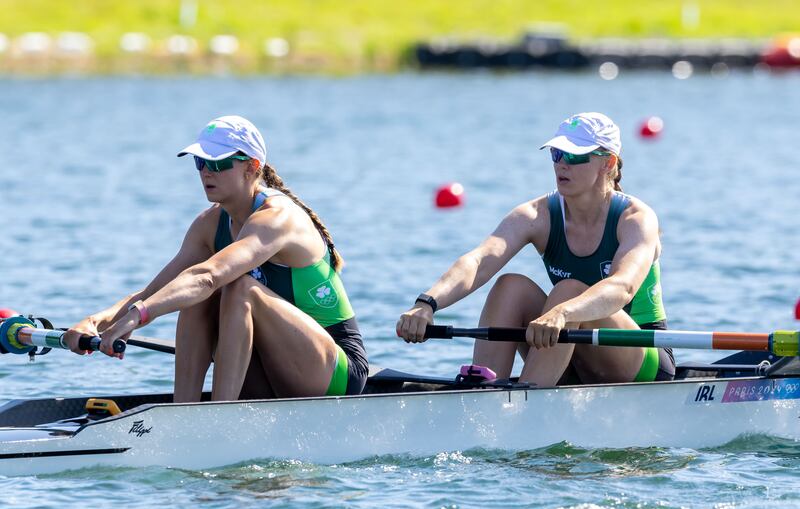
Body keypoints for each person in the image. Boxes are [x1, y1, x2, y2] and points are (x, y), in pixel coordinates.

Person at [66, 115, 368, 402]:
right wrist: (95, 321)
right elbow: (155, 292)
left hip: (336, 371)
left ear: (252, 167)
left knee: (237, 288)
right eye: (200, 162)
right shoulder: (209, 225)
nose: (206, 172)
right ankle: (184, 413)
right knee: (190, 293)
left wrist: (137, 317)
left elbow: (208, 275)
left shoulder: (278, 218)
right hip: (272, 364)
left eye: (218, 163)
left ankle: (219, 420)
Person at [397, 112, 674, 387]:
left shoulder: (636, 219)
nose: (562, 165)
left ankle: (525, 405)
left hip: (641, 355)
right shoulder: (536, 215)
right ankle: (482, 398)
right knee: (510, 286)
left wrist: (565, 311)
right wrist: (427, 304)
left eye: (575, 156)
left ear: (608, 163)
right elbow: (480, 261)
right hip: (569, 345)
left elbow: (622, 287)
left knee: (568, 290)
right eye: (556, 154)